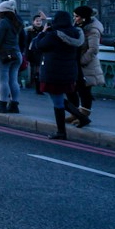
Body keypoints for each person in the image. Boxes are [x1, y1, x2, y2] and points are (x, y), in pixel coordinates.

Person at [32, 10, 87, 139]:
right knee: (58, 98)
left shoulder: (53, 35)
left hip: (53, 71)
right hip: (69, 71)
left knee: (57, 101)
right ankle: (81, 118)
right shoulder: (76, 33)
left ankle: (62, 131)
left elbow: (38, 46)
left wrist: (42, 33)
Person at [0, 0, 23, 114]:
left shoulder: (2, 23)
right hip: (16, 54)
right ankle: (14, 105)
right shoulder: (16, 22)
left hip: (3, 55)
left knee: (3, 81)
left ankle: (2, 104)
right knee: (13, 80)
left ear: (2, 12)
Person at [72, 5, 105, 125]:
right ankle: (77, 113)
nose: (74, 19)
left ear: (84, 18)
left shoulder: (92, 30)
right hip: (77, 63)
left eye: (76, 16)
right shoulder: (79, 26)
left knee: (85, 90)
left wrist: (81, 61)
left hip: (86, 65)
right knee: (77, 89)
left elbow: (93, 49)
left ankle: (83, 116)